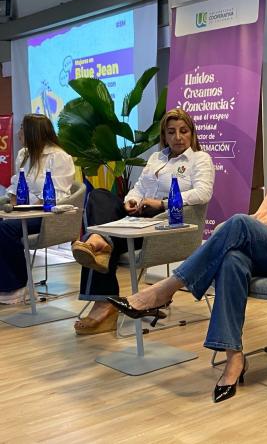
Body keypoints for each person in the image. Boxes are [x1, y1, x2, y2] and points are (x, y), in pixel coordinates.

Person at [108, 105, 267, 403]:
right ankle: (234, 357)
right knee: (232, 259)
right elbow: (264, 214)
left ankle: (165, 290)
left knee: (239, 223)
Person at [72, 108, 214, 335]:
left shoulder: (200, 159)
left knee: (100, 247)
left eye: (183, 131)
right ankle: (99, 240)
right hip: (138, 217)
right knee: (99, 196)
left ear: (192, 133)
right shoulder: (157, 158)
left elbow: (202, 194)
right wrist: (131, 200)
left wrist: (162, 204)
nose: (178, 137)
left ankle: (102, 298)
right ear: (164, 136)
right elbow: (138, 188)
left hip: (167, 223)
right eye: (171, 132)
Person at [0, 114, 75, 304]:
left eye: (22, 129)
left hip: (48, 216)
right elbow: (16, 186)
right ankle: (5, 282)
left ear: (33, 133)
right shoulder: (24, 154)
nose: (18, 133)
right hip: (24, 213)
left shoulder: (60, 157)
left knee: (6, 229)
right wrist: (12, 206)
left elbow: (56, 195)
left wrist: (24, 211)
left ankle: (17, 286)